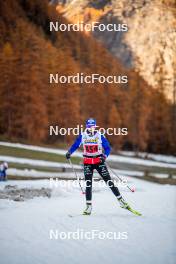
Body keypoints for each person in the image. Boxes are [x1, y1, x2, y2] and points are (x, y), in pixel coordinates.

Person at [66, 118, 130, 215]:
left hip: (99, 161)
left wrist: (104, 156)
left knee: (109, 181)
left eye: (93, 127)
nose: (91, 129)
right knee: (88, 184)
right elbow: (75, 145)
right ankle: (88, 207)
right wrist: (69, 152)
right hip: (87, 162)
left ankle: (121, 201)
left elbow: (108, 148)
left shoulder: (100, 136)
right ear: (87, 127)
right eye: (89, 127)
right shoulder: (82, 135)